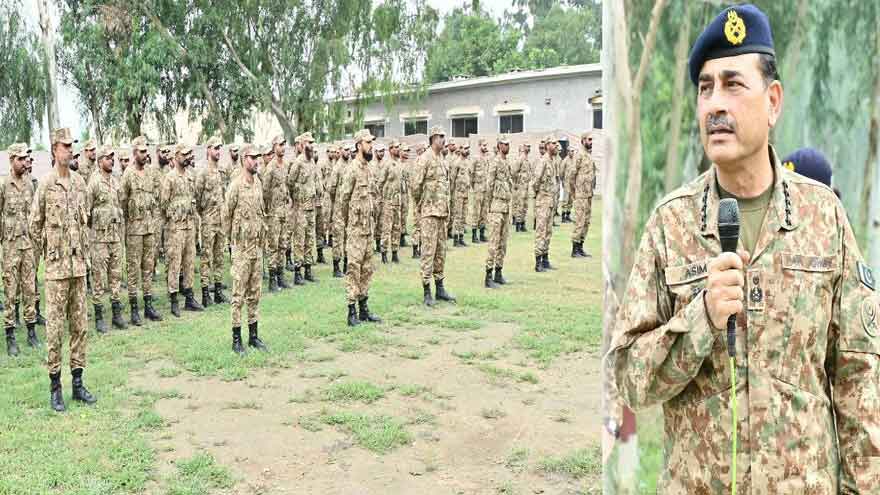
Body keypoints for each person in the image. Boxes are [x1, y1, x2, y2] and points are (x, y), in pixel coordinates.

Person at [607, 4, 880, 492]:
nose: (716, 104)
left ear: (773, 102)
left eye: (733, 85)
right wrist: (701, 319)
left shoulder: (825, 219)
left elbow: (859, 378)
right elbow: (628, 377)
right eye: (705, 87)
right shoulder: (671, 224)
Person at [30, 127, 97, 412]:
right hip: (57, 271)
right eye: (66, 146)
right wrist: (47, 253)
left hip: (79, 268)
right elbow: (35, 224)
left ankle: (78, 383)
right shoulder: (46, 184)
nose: (71, 150)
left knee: (80, 328)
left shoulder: (81, 183)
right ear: (55, 149)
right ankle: (55, 386)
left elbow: (86, 223)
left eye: (72, 146)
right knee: (56, 331)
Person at [224, 144, 268, 355]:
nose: (256, 160)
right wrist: (231, 244)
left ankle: (253, 336)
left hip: (256, 248)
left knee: (255, 293)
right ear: (243, 159)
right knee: (238, 295)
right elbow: (226, 215)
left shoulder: (258, 183)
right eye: (252, 157)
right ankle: (236, 339)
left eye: (257, 157)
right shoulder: (236, 186)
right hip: (241, 249)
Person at [337, 130, 381, 326]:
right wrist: (350, 224)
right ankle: (351, 311)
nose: (371, 145)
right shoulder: (352, 169)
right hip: (355, 230)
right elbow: (343, 200)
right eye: (368, 142)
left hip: (368, 230)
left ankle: (364, 309)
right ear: (358, 146)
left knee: (367, 270)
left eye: (371, 142)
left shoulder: (369, 169)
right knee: (354, 270)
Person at [2, 144, 40, 355]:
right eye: (20, 159)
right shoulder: (3, 185)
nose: (25, 162)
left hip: (28, 246)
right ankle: (10, 336)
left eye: (26, 158)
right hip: (10, 247)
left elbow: (33, 214)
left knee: (30, 289)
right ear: (11, 160)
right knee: (10, 291)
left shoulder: (29, 184)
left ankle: (31, 332)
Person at [120, 136, 163, 324]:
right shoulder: (128, 174)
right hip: (134, 230)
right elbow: (122, 201)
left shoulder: (151, 173)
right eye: (142, 152)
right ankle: (134, 309)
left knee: (148, 268)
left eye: (147, 151)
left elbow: (156, 195)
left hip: (149, 228)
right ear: (134, 153)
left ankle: (148, 306)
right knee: (133, 269)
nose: (145, 155)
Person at [412, 126, 456, 306]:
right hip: (429, 212)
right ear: (433, 138)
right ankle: (426, 290)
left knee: (440, 251)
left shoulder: (442, 160)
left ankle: (440, 288)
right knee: (428, 252)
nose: (443, 140)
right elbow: (416, 186)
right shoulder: (424, 159)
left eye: (444, 137)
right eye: (441, 137)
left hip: (441, 212)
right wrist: (422, 205)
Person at [87, 146, 128, 332]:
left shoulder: (116, 181)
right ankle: (99, 316)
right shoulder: (93, 183)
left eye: (113, 158)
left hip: (115, 238)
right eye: (108, 158)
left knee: (116, 275)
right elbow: (86, 213)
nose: (112, 160)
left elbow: (121, 206)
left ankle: (117, 314)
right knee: (98, 278)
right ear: (100, 160)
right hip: (99, 240)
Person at [160, 144, 204, 316]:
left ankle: (189, 297)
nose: (187, 157)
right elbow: (163, 204)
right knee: (174, 263)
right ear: (176, 156)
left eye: (188, 154)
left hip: (190, 226)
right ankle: (173, 300)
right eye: (184, 155)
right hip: (175, 228)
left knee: (189, 261)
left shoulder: (191, 176)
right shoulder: (169, 178)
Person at [194, 136, 229, 306]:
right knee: (206, 256)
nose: (218, 151)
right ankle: (205, 292)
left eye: (219, 148)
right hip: (208, 220)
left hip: (221, 220)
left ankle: (218, 290)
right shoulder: (201, 172)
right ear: (208, 150)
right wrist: (205, 214)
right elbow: (197, 198)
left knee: (220, 256)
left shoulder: (222, 171)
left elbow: (224, 195)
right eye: (215, 148)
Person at [287, 132, 319, 284]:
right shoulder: (298, 163)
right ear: (302, 144)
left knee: (309, 239)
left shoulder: (312, 162)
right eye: (309, 143)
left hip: (311, 207)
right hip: (300, 208)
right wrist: (296, 199)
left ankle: (308, 269)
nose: (311, 146)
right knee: (299, 240)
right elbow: (290, 182)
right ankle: (298, 272)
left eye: (313, 143)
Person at [483, 136, 513, 288]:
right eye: (505, 144)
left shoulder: (507, 162)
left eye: (509, 144)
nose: (508, 147)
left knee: (503, 243)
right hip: (496, 207)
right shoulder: (494, 162)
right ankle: (488, 276)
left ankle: (498, 273)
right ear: (500, 145)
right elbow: (489, 184)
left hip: (506, 207)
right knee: (494, 243)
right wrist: (489, 206)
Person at [262, 135, 291, 291]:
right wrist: (268, 210)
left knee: (283, 244)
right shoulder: (270, 168)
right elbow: (265, 191)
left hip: (284, 212)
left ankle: (281, 276)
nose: (283, 147)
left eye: (284, 145)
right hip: (273, 212)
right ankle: (272, 280)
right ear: (274, 147)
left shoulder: (285, 165)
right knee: (273, 246)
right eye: (280, 145)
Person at [532, 135, 561, 272]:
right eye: (554, 143)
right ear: (547, 145)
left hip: (551, 202)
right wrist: (540, 196)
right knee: (541, 231)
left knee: (548, 231)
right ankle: (538, 262)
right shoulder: (543, 161)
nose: (556, 146)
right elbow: (535, 181)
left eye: (556, 144)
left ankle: (545, 258)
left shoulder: (553, 161)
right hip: (543, 201)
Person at [569, 132, 596, 258]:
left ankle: (580, 246)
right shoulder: (579, 155)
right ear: (583, 140)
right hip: (580, 194)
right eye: (589, 140)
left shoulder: (589, 156)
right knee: (579, 221)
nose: (591, 142)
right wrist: (574, 192)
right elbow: (572, 175)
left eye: (592, 140)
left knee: (586, 221)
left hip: (588, 194)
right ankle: (574, 249)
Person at [377, 140, 404, 263]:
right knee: (386, 228)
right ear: (391, 149)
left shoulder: (399, 164)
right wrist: (380, 200)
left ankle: (394, 252)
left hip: (397, 201)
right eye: (396, 147)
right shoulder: (387, 165)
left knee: (396, 227)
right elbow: (380, 183)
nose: (398, 149)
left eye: (399, 147)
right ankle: (383, 253)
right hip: (387, 201)